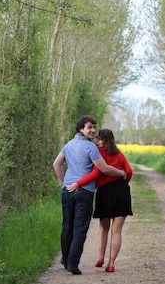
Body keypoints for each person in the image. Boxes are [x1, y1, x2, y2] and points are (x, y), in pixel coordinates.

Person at [53, 116, 127, 275]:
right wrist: (121, 173)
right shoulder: (90, 147)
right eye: (89, 127)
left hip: (67, 190)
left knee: (67, 226)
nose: (93, 130)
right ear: (81, 129)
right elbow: (104, 169)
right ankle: (72, 263)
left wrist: (63, 182)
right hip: (84, 191)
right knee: (80, 228)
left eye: (94, 127)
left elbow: (56, 164)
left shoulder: (68, 145)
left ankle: (66, 259)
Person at [67, 129, 132, 272]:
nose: (96, 141)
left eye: (99, 139)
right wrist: (122, 179)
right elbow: (129, 172)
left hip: (105, 192)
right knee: (117, 231)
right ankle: (111, 264)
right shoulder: (119, 154)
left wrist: (79, 183)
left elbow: (96, 173)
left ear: (105, 140)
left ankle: (101, 256)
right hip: (121, 191)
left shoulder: (97, 153)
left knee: (103, 227)